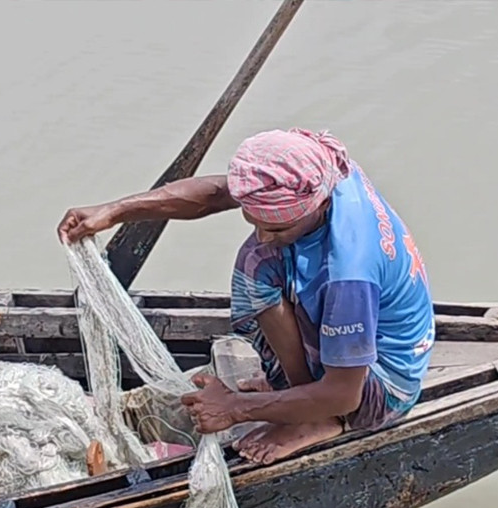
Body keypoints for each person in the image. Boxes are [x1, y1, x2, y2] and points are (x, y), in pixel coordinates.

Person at [57, 128, 435, 465]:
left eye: (277, 227)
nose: (264, 234)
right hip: (355, 336)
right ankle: (297, 391)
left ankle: (314, 418)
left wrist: (235, 409)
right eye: (255, 221)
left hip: (381, 388)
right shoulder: (319, 170)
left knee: (259, 261)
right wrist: (115, 211)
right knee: (258, 260)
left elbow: (344, 394)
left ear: (316, 208)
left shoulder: (349, 274)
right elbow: (216, 194)